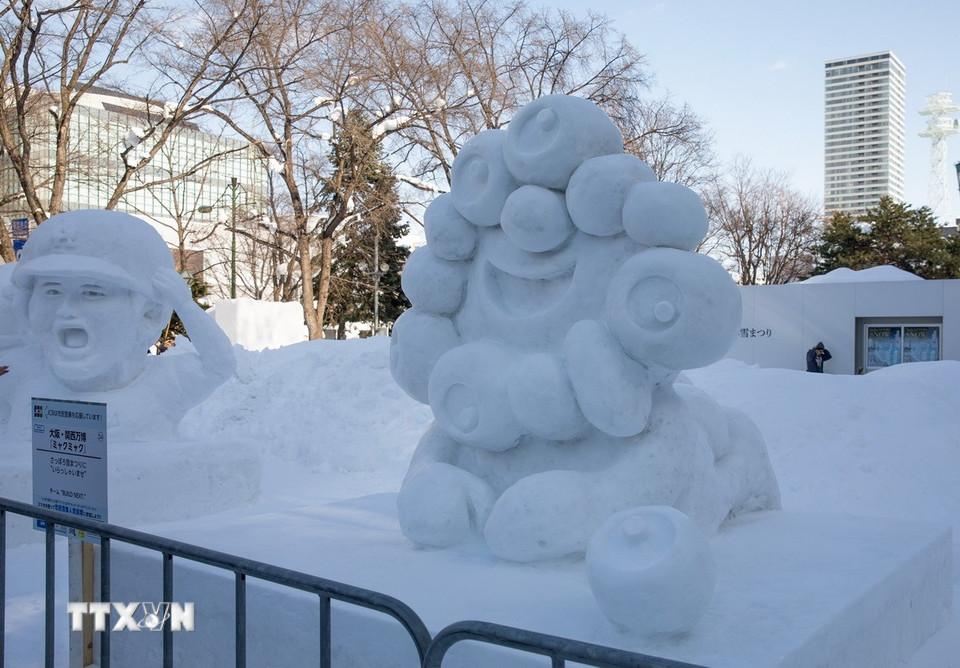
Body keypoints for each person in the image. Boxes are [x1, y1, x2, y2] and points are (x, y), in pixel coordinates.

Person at [0, 209, 236, 441]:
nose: (66, 310)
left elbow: (219, 365)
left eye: (92, 293)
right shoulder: (20, 374)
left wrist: (185, 305)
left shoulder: (161, 385)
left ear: (149, 313)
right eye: (52, 291)